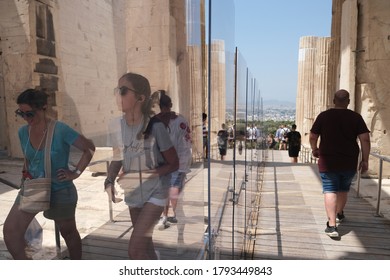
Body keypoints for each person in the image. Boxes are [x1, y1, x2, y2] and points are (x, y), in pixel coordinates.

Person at [3, 88, 95, 260]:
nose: (26, 118)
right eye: (21, 113)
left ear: (43, 107)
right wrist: (25, 172)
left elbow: (89, 148)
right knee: (11, 231)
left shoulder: (60, 130)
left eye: (29, 113)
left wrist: (75, 173)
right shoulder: (23, 132)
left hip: (60, 189)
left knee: (68, 232)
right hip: (33, 188)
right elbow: (30, 159)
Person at [104, 73, 179, 259]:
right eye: (117, 90)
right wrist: (109, 180)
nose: (117, 95)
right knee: (145, 246)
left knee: (135, 250)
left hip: (155, 192)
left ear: (140, 97)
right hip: (133, 192)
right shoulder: (117, 126)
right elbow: (118, 157)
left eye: (122, 91)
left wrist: (146, 175)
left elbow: (173, 162)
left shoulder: (155, 127)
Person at [309, 89, 370, 238]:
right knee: (343, 189)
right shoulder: (356, 117)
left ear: (334, 100)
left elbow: (312, 136)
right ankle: (339, 213)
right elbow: (365, 139)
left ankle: (332, 225)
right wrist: (365, 160)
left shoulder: (324, 116)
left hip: (328, 160)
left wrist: (315, 148)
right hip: (349, 160)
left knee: (330, 190)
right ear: (348, 102)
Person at [153, 90, 192, 231]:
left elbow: (185, 142)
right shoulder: (158, 121)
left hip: (174, 162)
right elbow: (187, 142)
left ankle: (172, 215)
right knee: (169, 192)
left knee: (171, 192)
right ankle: (168, 216)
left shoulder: (178, 120)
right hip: (167, 163)